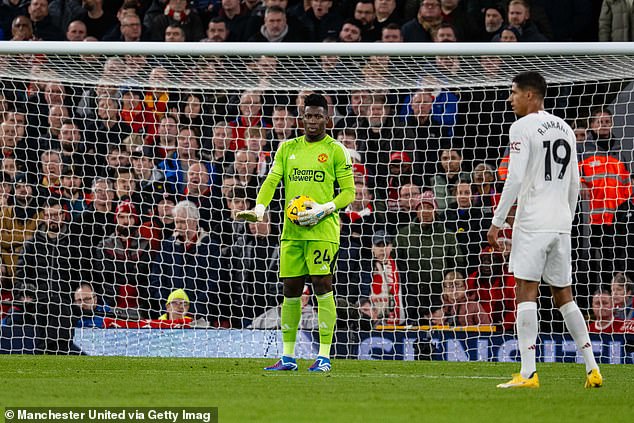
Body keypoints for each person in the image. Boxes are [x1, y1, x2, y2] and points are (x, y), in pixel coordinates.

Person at [486, 71, 601, 388]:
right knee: (564, 294)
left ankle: (527, 373)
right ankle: (593, 368)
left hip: (534, 222)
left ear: (530, 95)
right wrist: (567, 217)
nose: (510, 99)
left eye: (513, 93)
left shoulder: (522, 127)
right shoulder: (565, 128)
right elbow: (575, 183)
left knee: (526, 290)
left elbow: (516, 177)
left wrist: (497, 221)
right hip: (561, 222)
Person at [236, 93, 354, 372]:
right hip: (292, 232)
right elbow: (272, 179)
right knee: (290, 290)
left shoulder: (336, 150)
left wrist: (323, 209)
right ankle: (288, 357)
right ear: (301, 118)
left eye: (317, 116)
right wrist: (260, 208)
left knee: (322, 285)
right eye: (308, 116)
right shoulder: (286, 148)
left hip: (322, 230)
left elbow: (349, 193)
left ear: (327, 118)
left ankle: (324, 356)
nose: (312, 121)